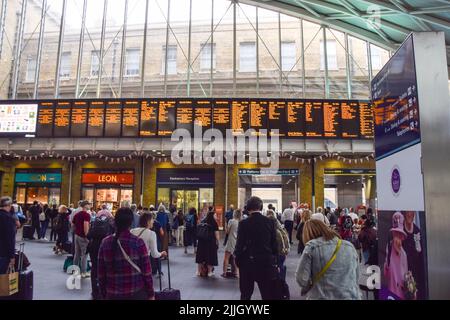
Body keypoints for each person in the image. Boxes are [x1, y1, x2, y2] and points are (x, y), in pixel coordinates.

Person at [98, 207, 155, 300]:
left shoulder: (105, 243)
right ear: (131, 223)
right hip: (136, 293)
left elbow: (101, 273)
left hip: (113, 294)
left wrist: (104, 294)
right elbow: (147, 272)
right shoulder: (138, 242)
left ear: (115, 222)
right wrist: (151, 293)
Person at [295, 219, 361, 300]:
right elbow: (356, 276)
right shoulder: (349, 246)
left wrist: (312, 284)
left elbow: (301, 279)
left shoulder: (312, 247)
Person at [234, 196, 278, 300]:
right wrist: (274, 260)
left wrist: (238, 260)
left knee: (245, 294)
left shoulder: (243, 223)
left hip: (247, 263)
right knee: (267, 294)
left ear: (248, 208)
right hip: (265, 263)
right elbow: (274, 244)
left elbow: (239, 244)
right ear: (261, 207)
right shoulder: (270, 222)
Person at [87, 209, 115, 300]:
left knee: (94, 268)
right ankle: (104, 289)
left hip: (93, 247)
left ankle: (94, 290)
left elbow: (89, 234)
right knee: (106, 268)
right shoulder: (111, 222)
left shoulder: (95, 221)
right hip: (106, 247)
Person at [384, 212, 409, 300]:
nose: (397, 238)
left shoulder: (404, 254)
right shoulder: (389, 248)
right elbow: (386, 272)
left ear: (402, 237)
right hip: (392, 292)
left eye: (400, 235)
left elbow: (406, 275)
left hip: (401, 293)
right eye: (396, 234)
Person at [403, 211, 425, 300]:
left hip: (415, 274)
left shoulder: (417, 231)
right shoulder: (400, 230)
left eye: (412, 211)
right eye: (408, 211)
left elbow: (420, 256)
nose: (410, 214)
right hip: (402, 272)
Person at [266, 209, 290, 282]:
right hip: (281, 253)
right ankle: (281, 284)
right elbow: (286, 241)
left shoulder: (272, 231)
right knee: (280, 267)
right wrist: (286, 251)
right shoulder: (281, 229)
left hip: (275, 253)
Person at [195, 209, 219, 277]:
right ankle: (209, 272)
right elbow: (217, 234)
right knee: (210, 256)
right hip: (210, 242)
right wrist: (217, 242)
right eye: (215, 215)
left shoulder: (203, 221)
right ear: (212, 216)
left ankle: (199, 271)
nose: (216, 216)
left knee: (200, 257)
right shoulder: (214, 223)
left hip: (201, 242)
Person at [72, 200, 91, 278]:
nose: (90, 206)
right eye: (89, 205)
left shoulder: (77, 214)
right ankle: (83, 272)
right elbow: (86, 226)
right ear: (85, 206)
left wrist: (76, 231)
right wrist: (87, 236)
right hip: (83, 236)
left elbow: (72, 224)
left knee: (77, 254)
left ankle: (74, 270)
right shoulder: (86, 215)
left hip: (76, 235)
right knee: (84, 255)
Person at [222, 209, 242, 278]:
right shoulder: (241, 222)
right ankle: (236, 273)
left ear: (234, 214)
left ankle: (224, 273)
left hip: (231, 241)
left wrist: (226, 225)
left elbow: (227, 231)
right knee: (235, 258)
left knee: (226, 257)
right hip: (237, 241)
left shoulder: (231, 221)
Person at [0, 197, 16, 274]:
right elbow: (10, 239)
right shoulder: (8, 218)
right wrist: (12, 256)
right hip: (3, 252)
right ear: (9, 205)